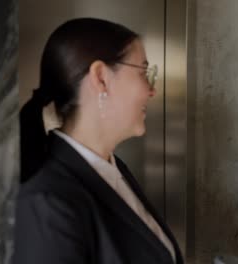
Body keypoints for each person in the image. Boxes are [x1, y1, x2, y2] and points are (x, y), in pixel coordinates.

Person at [13, 18, 183, 264]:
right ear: (101, 77)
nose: (152, 90)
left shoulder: (113, 169)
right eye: (144, 72)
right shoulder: (47, 201)